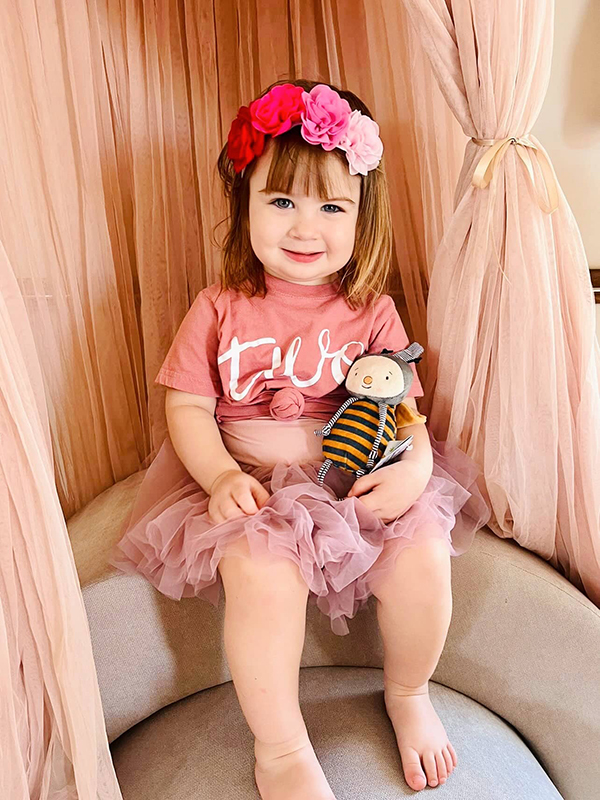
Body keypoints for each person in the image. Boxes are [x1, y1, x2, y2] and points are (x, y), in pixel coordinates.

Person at [109, 79, 490, 799]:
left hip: (359, 475)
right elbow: (187, 408)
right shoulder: (219, 306)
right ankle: (281, 747)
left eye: (330, 206)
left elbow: (405, 411)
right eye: (280, 201)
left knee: (423, 560)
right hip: (252, 480)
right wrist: (221, 477)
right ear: (244, 206)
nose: (304, 227)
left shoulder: (371, 310)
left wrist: (413, 470)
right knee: (260, 574)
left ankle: (408, 692)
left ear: (360, 218)